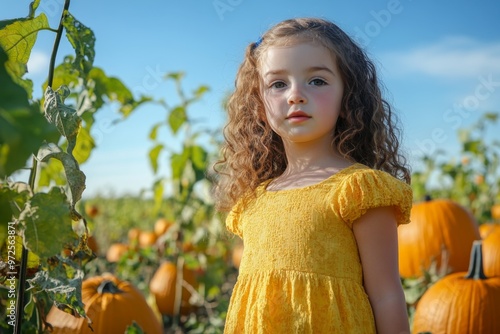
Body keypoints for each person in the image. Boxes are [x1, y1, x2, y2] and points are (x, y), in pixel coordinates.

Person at [213, 17, 412, 334]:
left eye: (317, 81)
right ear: (259, 105)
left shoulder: (358, 189)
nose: (295, 95)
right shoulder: (253, 201)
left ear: (348, 96)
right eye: (278, 84)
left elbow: (387, 295)